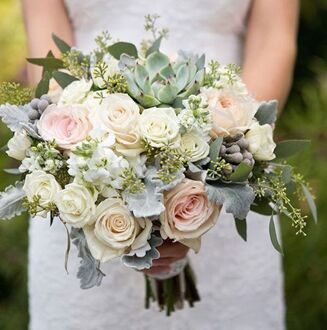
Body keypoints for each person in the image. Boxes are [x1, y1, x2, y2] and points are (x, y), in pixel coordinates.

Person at [22, 1, 299, 329]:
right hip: (89, 177)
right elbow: (49, 53)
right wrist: (97, 170)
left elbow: (273, 39)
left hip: (222, 179)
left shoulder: (222, 163)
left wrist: (215, 164)